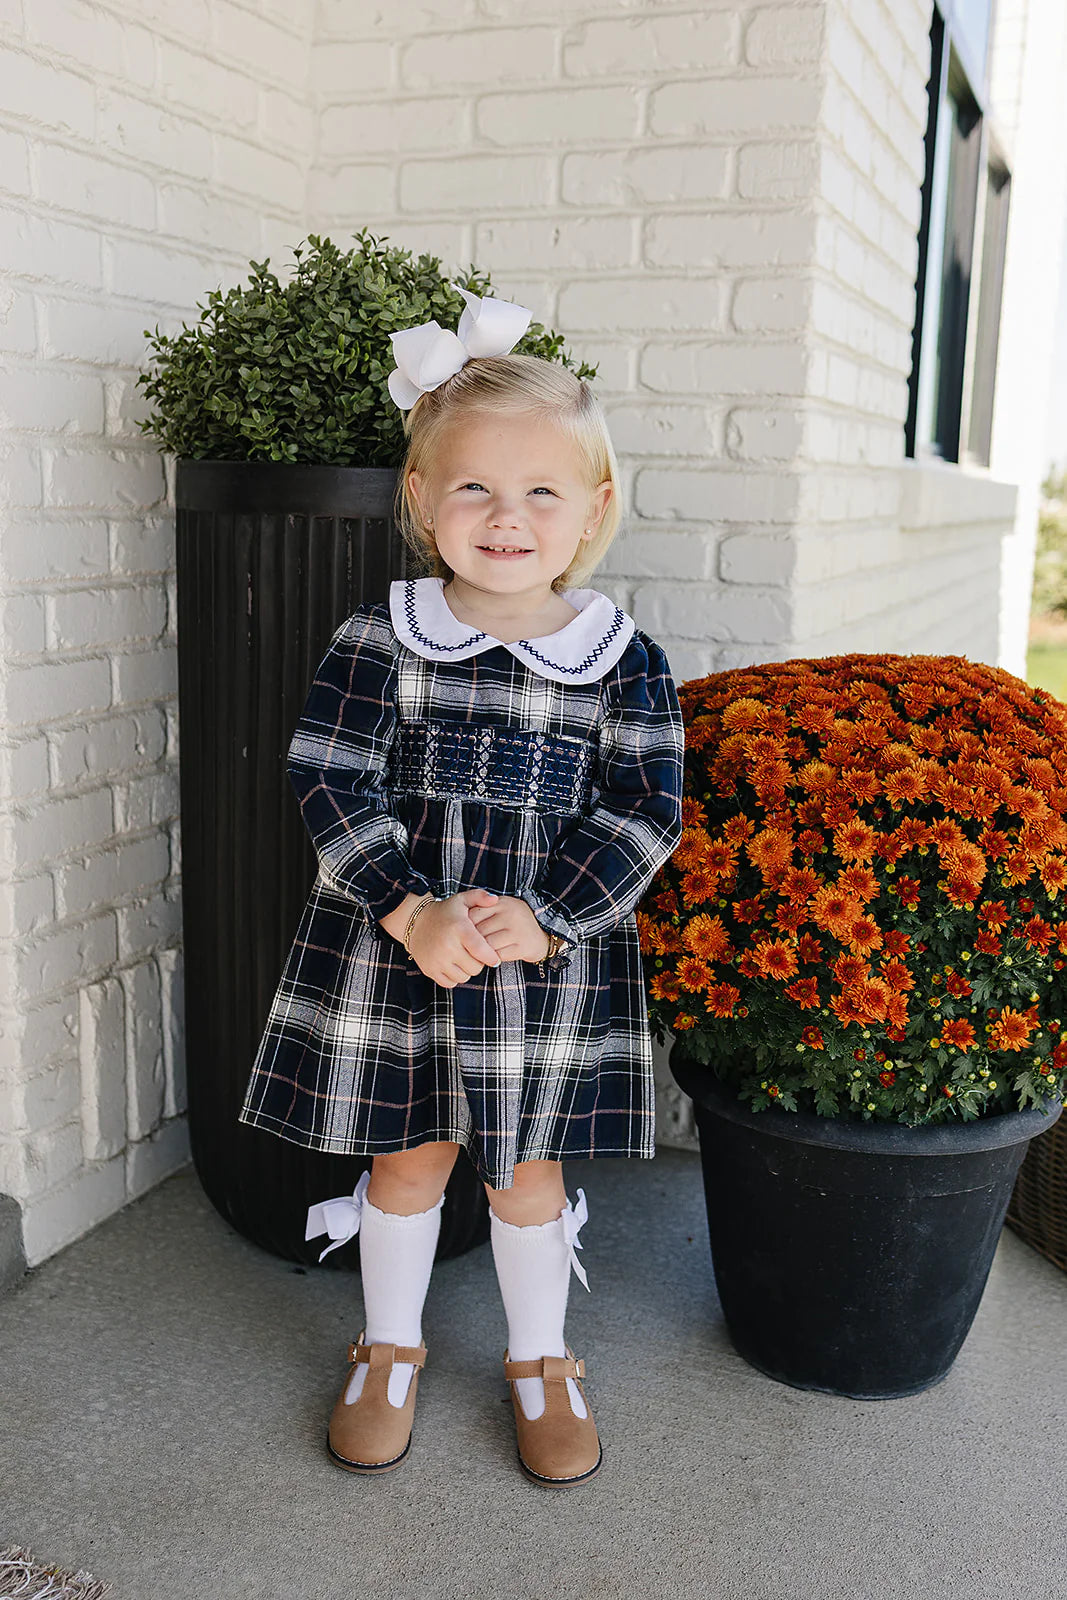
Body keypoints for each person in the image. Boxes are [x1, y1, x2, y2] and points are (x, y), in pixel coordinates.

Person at [237, 285, 685, 1488]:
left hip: (539, 961)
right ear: (423, 498)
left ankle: (539, 1360)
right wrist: (406, 903)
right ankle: (389, 1347)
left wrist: (545, 916)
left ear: (591, 510)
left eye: (541, 490)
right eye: (475, 487)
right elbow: (328, 773)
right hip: (402, 952)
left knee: (525, 1167)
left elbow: (645, 809)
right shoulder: (380, 639)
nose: (506, 515)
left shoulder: (618, 656)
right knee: (409, 1157)